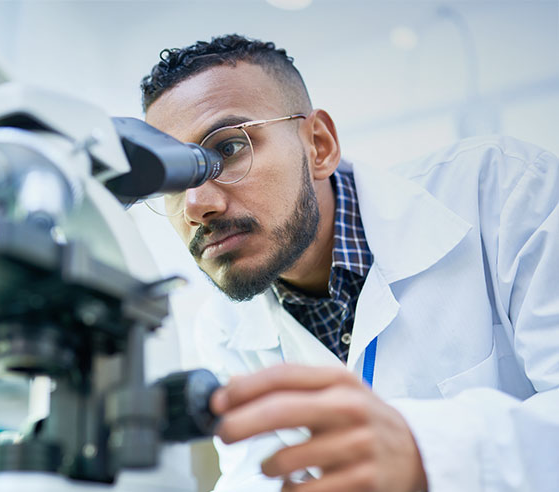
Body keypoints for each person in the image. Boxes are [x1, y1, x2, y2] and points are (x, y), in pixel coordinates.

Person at [139, 34, 559, 492]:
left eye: (228, 149)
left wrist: (432, 453)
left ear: (319, 145)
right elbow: (252, 479)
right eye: (174, 177)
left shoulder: (505, 191)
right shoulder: (223, 328)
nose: (196, 205)